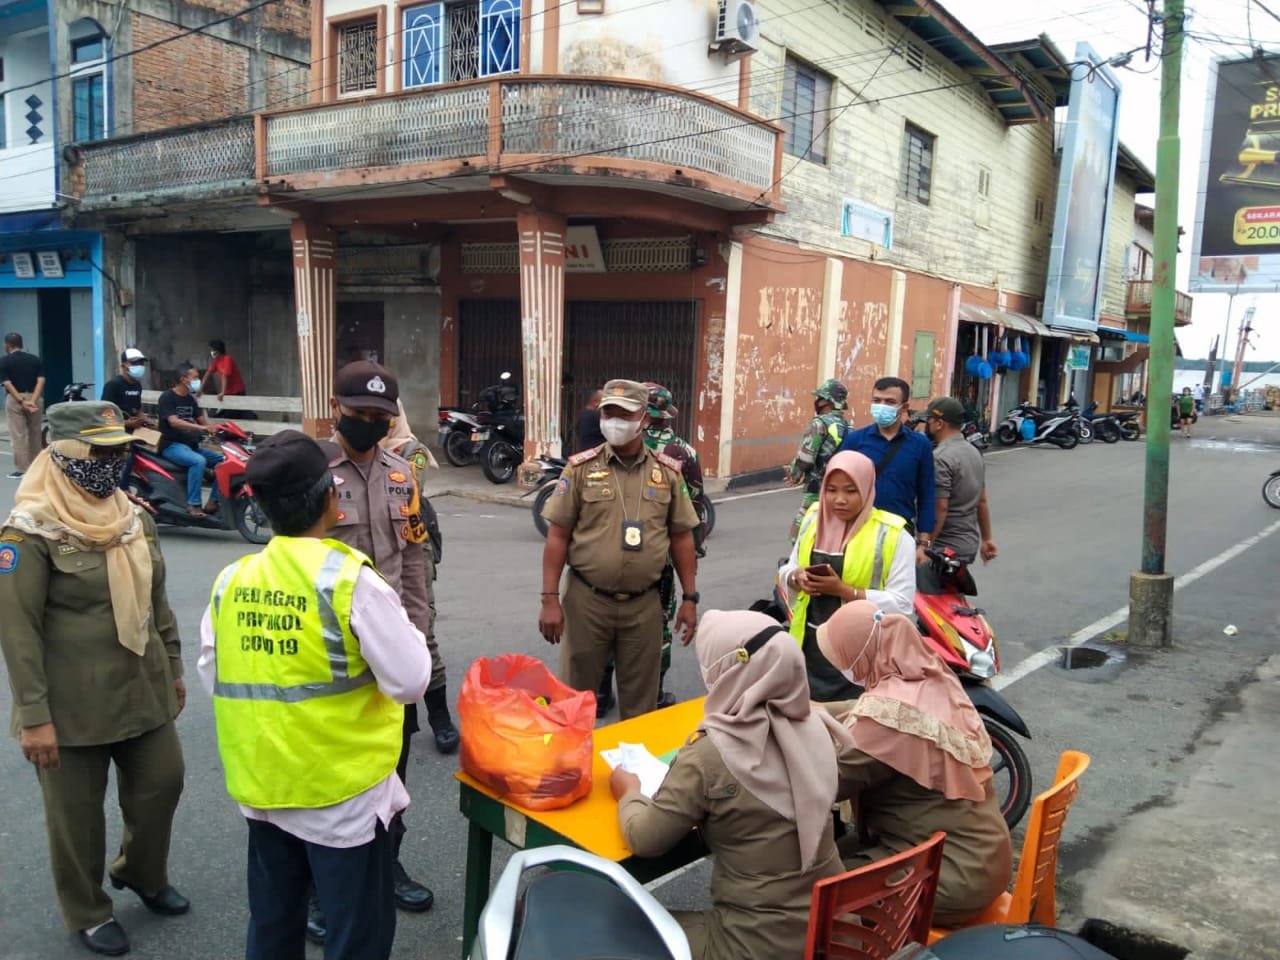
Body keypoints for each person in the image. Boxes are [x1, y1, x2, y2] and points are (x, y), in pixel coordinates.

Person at [199, 430, 430, 960]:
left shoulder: (232, 579)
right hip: (340, 799)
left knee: (274, 927)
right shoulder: (349, 581)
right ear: (331, 497)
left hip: (263, 789)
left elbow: (216, 674)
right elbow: (411, 679)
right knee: (357, 936)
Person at [0, 401, 188, 957]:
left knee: (164, 782)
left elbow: (159, 606)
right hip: (70, 706)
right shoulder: (28, 533)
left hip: (142, 688)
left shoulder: (132, 516)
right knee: (75, 819)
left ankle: (140, 871)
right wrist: (34, 718)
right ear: (66, 456)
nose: (113, 464)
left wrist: (173, 669)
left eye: (120, 452)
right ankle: (87, 910)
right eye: (101, 454)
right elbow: (18, 633)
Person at [610, 610, 850, 960]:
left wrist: (628, 791)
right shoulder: (816, 727)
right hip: (835, 929)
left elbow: (645, 839)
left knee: (618, 929)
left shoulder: (710, 756)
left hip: (755, 946)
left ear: (727, 673)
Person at [305, 361, 437, 944]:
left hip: (388, 653)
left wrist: (419, 641)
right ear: (339, 407)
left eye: (381, 418)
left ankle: (387, 863)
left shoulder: (403, 476)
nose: (370, 425)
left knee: (392, 773)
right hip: (329, 658)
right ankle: (315, 888)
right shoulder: (311, 473)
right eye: (360, 414)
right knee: (328, 780)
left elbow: (414, 566)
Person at [817, 600, 1013, 924]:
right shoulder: (927, 680)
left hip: (950, 877)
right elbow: (857, 708)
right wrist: (805, 709)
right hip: (980, 856)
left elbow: (820, 787)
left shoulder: (886, 722)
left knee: (808, 892)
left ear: (860, 655)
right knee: (831, 857)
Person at [538, 379, 701, 720]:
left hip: (644, 606)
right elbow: (558, 537)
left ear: (643, 418)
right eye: (608, 412)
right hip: (586, 602)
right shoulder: (580, 469)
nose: (615, 420)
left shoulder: (667, 473)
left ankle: (630, 772)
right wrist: (550, 599)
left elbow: (682, 538)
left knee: (641, 707)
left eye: (624, 414)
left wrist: (689, 598)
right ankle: (572, 771)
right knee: (573, 701)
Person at [597, 385, 706, 716]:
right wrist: (692, 558)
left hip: (611, 552)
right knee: (657, 623)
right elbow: (695, 509)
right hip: (658, 557)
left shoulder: (618, 445)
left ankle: (601, 694)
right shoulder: (683, 452)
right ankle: (654, 694)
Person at [778, 451, 915, 701]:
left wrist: (844, 591)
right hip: (810, 650)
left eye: (851, 491)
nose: (839, 500)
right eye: (831, 490)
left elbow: (903, 605)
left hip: (864, 658)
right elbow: (788, 568)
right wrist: (796, 578)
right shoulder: (812, 520)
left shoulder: (893, 535)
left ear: (866, 488)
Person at [380, 398, 458, 754]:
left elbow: (406, 491)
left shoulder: (413, 451)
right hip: (372, 551)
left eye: (383, 414)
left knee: (420, 633)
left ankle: (439, 717)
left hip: (413, 549)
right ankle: (400, 717)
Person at [837, 376, 936, 553]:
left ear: (904, 407)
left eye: (889, 402)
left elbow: (926, 495)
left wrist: (924, 543)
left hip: (899, 534)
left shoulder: (920, 445)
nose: (881, 406)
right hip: (857, 531)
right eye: (877, 400)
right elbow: (834, 485)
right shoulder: (855, 441)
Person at [923, 397, 997, 566]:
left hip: (943, 546)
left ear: (939, 424)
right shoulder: (973, 452)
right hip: (967, 542)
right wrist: (987, 538)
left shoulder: (940, 458)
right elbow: (982, 500)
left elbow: (940, 507)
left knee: (930, 591)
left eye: (929, 421)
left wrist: (925, 546)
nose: (927, 425)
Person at [786, 378, 850, 543]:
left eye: (819, 398)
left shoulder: (819, 424)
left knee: (798, 535)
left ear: (826, 401)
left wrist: (794, 474)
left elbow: (806, 458)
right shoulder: (847, 426)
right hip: (839, 489)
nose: (817, 402)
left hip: (817, 489)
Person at [157, 362, 224, 517]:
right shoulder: (167, 397)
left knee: (223, 462)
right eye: (195, 377)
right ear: (183, 379)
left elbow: (202, 421)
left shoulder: (190, 399)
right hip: (171, 445)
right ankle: (193, 504)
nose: (198, 380)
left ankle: (213, 501)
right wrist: (201, 429)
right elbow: (174, 421)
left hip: (191, 446)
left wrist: (219, 429)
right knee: (198, 461)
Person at [0, 332, 46, 478]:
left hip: (15, 400)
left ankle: (22, 469)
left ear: (7, 345)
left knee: (18, 434)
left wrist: (21, 401)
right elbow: (41, 380)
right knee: (35, 432)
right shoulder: (35, 360)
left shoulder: (4, 361)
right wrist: (33, 400)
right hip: (35, 398)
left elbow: (7, 383)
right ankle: (36, 466)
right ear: (22, 344)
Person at [202, 339, 249, 410]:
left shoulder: (227, 359)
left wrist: (222, 392)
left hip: (237, 392)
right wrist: (200, 388)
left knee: (238, 413)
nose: (211, 352)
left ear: (218, 350)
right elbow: (207, 374)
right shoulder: (216, 361)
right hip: (227, 393)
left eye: (213, 350)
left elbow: (225, 375)